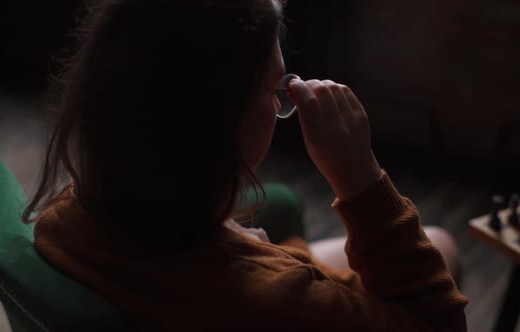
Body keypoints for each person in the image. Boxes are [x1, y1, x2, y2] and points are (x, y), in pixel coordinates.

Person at [24, 0, 468, 330]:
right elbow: (439, 322)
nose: (283, 102)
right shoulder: (279, 302)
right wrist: (360, 175)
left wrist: (236, 235)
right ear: (219, 120)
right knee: (442, 244)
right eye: (275, 89)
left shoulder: (69, 214)